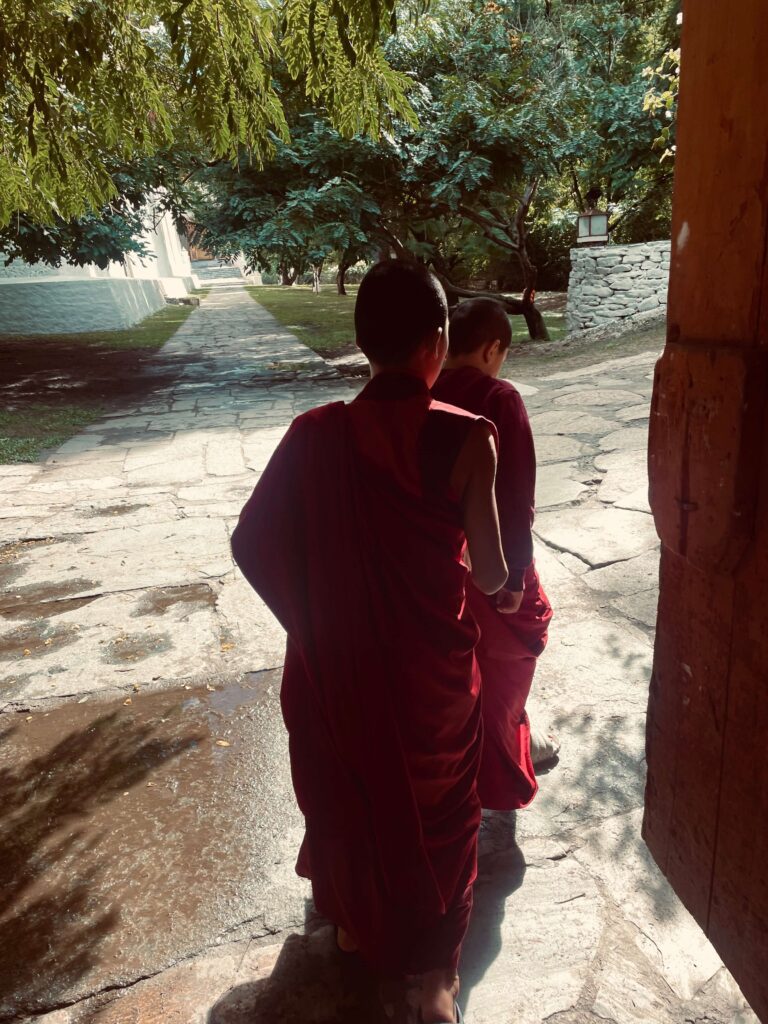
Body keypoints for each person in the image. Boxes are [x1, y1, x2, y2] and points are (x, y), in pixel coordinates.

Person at [231, 261, 508, 1024]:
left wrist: (320, 619)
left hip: (339, 671)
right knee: (442, 810)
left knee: (350, 793)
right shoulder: (466, 437)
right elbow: (487, 573)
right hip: (432, 678)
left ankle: (356, 924)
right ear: (437, 340)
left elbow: (251, 543)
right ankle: (434, 978)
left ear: (361, 345)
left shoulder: (313, 435)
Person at [432, 297, 557, 813]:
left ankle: (492, 748)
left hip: (440, 565)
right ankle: (503, 762)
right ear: (491, 349)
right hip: (491, 563)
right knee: (509, 660)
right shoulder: (498, 397)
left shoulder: (427, 389)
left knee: (463, 673)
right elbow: (516, 497)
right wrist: (516, 578)